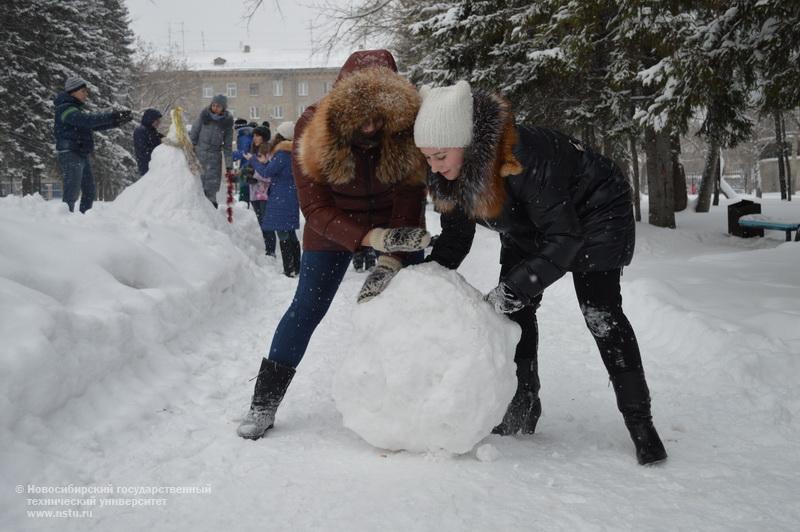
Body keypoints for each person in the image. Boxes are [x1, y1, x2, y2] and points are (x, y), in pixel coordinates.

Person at [413, 81, 667, 466]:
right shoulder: (447, 171)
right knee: (515, 309)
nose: (434, 166)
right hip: (529, 222)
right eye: (427, 158)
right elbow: (456, 235)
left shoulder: (521, 156)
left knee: (601, 313)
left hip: (595, 209)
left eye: (440, 155)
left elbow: (564, 237)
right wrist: (427, 279)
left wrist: (515, 286)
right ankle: (523, 405)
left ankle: (641, 422)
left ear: (465, 142)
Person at [236, 50, 431, 440]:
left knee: (412, 310)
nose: (373, 127)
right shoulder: (314, 125)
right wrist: (365, 238)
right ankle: (263, 404)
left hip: (395, 222)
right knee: (306, 309)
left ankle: (418, 402)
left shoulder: (408, 125)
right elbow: (314, 205)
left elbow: (411, 193)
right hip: (331, 222)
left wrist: (392, 256)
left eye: (382, 117)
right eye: (364, 116)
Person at [53, 75, 132, 212]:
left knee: (89, 192)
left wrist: (116, 122)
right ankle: (64, 222)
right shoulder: (65, 109)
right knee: (71, 192)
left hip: (81, 153)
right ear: (73, 91)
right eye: (83, 91)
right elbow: (87, 121)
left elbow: (91, 125)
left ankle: (85, 220)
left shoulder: (75, 109)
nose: (86, 94)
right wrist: (113, 116)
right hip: (70, 153)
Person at [248, 121, 302, 277]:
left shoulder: (282, 154)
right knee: (290, 232)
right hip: (290, 195)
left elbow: (266, 172)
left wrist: (254, 161)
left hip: (281, 196)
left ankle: (289, 269)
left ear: (281, 136)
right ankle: (297, 266)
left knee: (283, 233)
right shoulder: (293, 153)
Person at [189, 94, 234, 207]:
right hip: (199, 155)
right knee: (197, 186)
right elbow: (193, 135)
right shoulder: (204, 117)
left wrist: (229, 165)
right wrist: (189, 152)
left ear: (223, 107)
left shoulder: (227, 123)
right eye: (213, 105)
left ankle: (212, 213)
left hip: (214, 159)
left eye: (218, 106)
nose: (215, 108)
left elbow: (228, 146)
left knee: (211, 188)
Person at [242, 126, 277, 256]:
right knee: (261, 222)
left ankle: (271, 251)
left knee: (266, 222)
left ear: (264, 137)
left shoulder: (268, 152)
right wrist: (247, 172)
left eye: (258, 136)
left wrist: (254, 174)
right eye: (254, 135)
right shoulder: (253, 150)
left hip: (265, 193)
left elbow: (268, 175)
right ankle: (268, 249)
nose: (255, 138)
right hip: (254, 192)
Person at [133, 108, 164, 176]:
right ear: (151, 119)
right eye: (157, 120)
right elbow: (143, 151)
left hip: (155, 165)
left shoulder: (152, 131)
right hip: (148, 167)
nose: (159, 122)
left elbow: (162, 139)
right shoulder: (140, 131)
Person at [232, 119, 255, 206]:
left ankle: (245, 208)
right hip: (250, 165)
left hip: (246, 166)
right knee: (249, 190)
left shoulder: (243, 136)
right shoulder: (249, 135)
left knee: (244, 191)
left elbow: (244, 152)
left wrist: (231, 155)